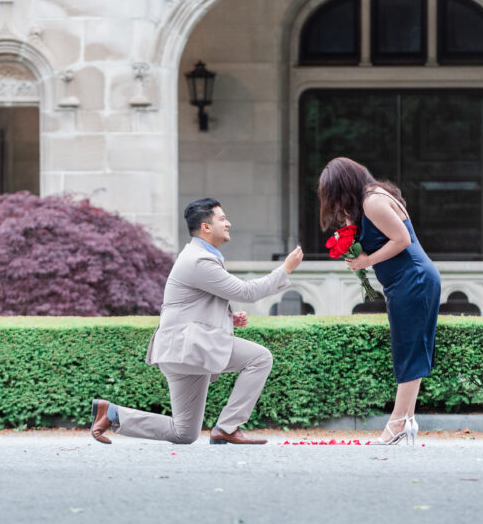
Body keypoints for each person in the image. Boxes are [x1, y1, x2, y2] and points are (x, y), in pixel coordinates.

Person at [90, 198, 303, 446]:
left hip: (179, 351)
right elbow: (246, 293)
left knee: (184, 433)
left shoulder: (198, 256)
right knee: (260, 358)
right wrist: (285, 269)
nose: (229, 223)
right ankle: (227, 426)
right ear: (206, 227)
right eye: (222, 219)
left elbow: (189, 305)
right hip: (188, 349)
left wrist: (227, 317)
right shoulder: (199, 260)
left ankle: (113, 414)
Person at [318, 157, 440, 446]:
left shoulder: (373, 201)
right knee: (408, 348)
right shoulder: (367, 200)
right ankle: (406, 419)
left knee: (409, 350)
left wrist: (365, 261)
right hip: (406, 281)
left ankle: (397, 423)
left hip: (414, 279)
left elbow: (401, 240)